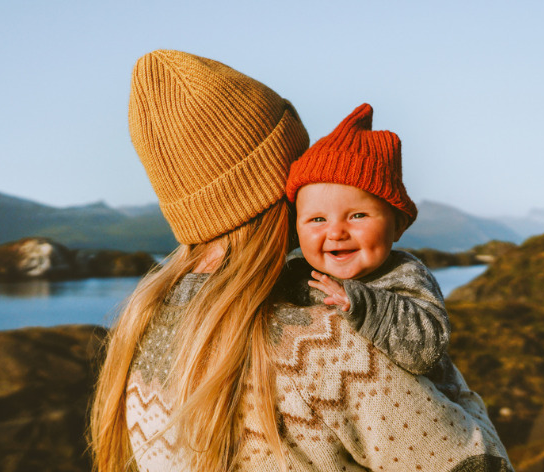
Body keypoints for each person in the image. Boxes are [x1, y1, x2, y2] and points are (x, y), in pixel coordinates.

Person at [89, 49, 512, 472]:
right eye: (300, 167)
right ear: (276, 188)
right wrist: (451, 388)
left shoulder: (141, 332)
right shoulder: (326, 348)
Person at [282, 103, 459, 397]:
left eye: (357, 216)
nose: (336, 232)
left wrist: (361, 304)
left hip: (410, 414)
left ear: (398, 225)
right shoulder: (294, 272)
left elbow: (428, 349)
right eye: (317, 220)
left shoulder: (406, 275)